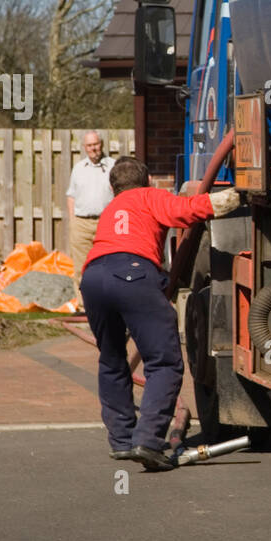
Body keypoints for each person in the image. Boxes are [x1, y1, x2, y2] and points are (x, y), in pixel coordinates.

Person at [81, 156, 240, 471]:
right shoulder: (149, 196)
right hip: (133, 275)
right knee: (163, 361)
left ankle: (123, 442)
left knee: (112, 360)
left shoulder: (110, 210)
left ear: (113, 188)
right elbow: (185, 212)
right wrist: (230, 198)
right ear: (148, 181)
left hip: (93, 278)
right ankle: (149, 440)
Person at [66, 132, 115, 303]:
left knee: (108, 264)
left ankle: (108, 302)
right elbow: (71, 195)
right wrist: (73, 220)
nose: (93, 148)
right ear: (84, 148)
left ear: (101, 144)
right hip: (81, 223)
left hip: (106, 223)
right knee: (81, 267)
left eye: (96, 144)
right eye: (89, 145)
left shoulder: (112, 166)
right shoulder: (79, 168)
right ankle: (83, 304)